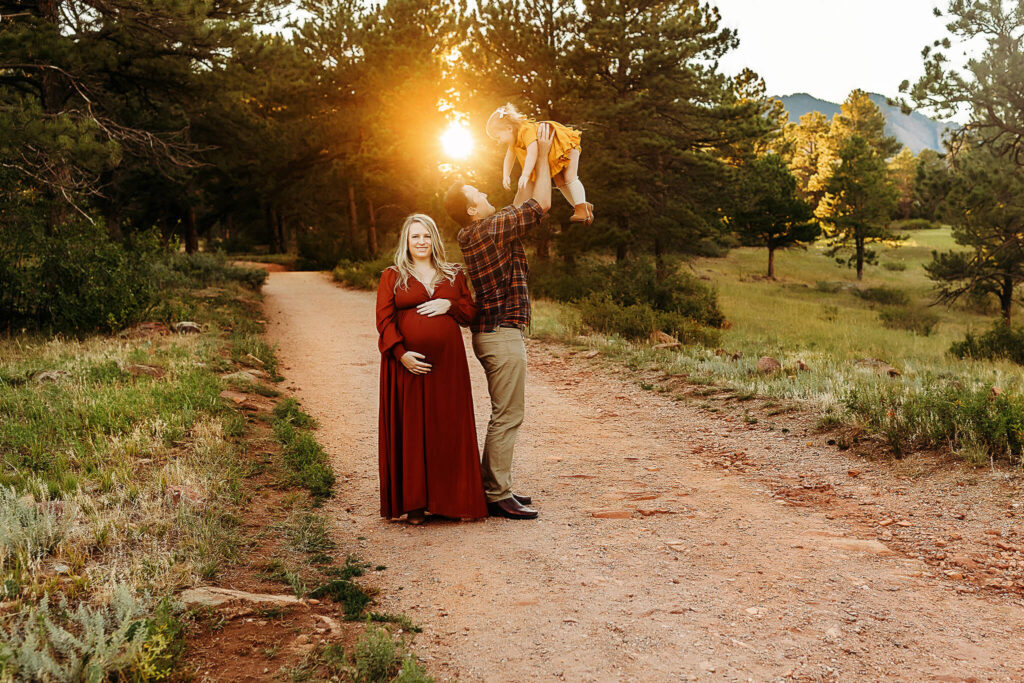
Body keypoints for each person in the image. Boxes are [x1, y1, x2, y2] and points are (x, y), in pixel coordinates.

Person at [442, 123, 555, 520]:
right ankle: (496, 492)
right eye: (479, 195)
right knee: (508, 415)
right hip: (501, 335)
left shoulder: (479, 230)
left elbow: (521, 202)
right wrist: (541, 153)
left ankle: (497, 486)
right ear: (473, 209)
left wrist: (530, 158)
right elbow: (540, 205)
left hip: (493, 334)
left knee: (504, 413)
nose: (487, 194)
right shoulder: (489, 228)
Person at [375, 214, 488, 524]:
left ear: (435, 239)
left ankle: (450, 501)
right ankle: (414, 503)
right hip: (408, 366)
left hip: (448, 365)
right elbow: (384, 320)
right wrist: (401, 354)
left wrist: (448, 305)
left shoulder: (453, 274)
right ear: (406, 242)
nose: (421, 241)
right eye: (415, 237)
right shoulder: (392, 275)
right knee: (412, 429)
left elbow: (470, 312)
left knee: (447, 426)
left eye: (426, 235)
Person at [485, 103, 593, 225]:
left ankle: (581, 208)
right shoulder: (514, 141)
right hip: (554, 153)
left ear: (509, 128)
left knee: (570, 177)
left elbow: (533, 153)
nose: (499, 142)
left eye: (498, 137)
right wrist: (506, 175)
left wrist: (525, 174)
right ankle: (581, 205)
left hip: (565, 145)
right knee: (560, 183)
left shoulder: (526, 130)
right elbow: (508, 157)